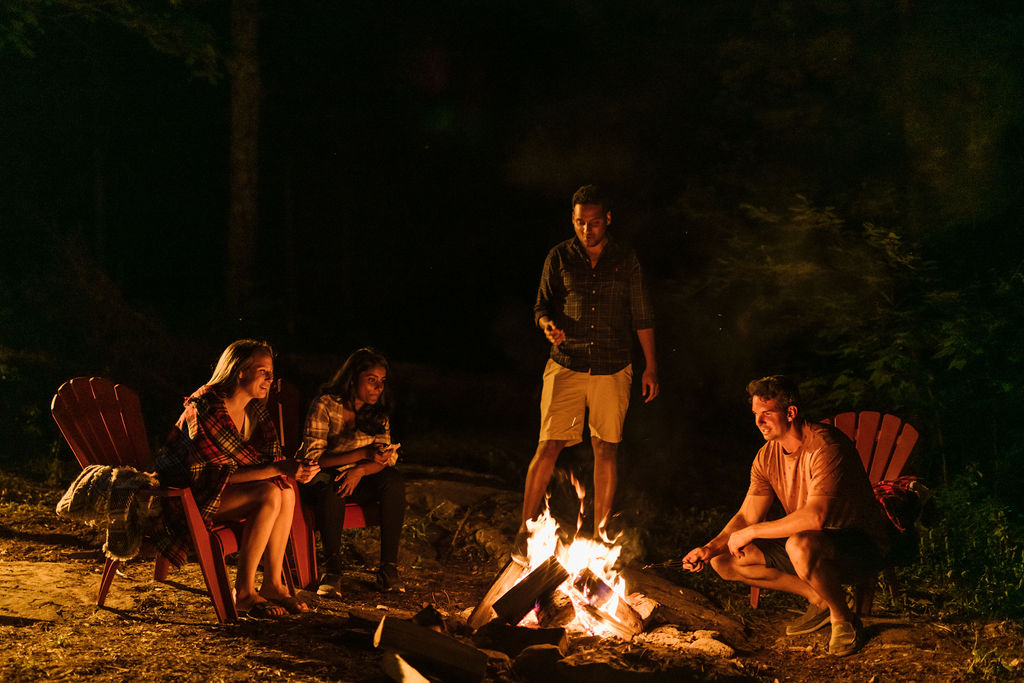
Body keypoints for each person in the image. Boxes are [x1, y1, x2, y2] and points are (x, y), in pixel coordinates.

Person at [681, 375, 890, 656]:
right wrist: (709, 548)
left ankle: (844, 619)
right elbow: (746, 515)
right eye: (756, 414)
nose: (758, 422)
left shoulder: (825, 447)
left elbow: (815, 517)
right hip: (810, 544)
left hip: (858, 543)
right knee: (724, 559)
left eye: (766, 414)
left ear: (790, 412)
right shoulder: (767, 456)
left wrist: (753, 532)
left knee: (798, 545)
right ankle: (818, 597)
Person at [515, 184, 659, 563]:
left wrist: (651, 366)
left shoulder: (625, 258)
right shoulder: (559, 256)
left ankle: (599, 535)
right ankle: (524, 529)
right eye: (580, 223)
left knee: (605, 447)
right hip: (566, 362)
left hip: (614, 364)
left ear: (607, 219)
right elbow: (541, 306)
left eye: (594, 223)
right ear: (573, 220)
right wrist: (547, 324)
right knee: (549, 443)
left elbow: (642, 314)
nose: (587, 230)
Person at [154, 339, 320, 618]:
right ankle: (243, 593)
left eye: (271, 372)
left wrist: (294, 469)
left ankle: (272, 585)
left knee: (285, 491)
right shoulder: (206, 405)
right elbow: (212, 475)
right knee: (269, 492)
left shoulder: (255, 413)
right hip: (187, 498)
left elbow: (268, 464)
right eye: (263, 371)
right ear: (240, 370)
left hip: (218, 492)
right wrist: (282, 469)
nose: (270, 379)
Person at [297, 348, 406, 596]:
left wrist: (360, 469)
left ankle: (388, 569)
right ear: (353, 377)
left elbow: (382, 459)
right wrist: (362, 455)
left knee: (393, 481)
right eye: (371, 380)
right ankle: (333, 569)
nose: (378, 388)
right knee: (332, 487)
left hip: (362, 475)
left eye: (382, 382)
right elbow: (315, 459)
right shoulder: (325, 405)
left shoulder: (378, 413)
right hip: (324, 474)